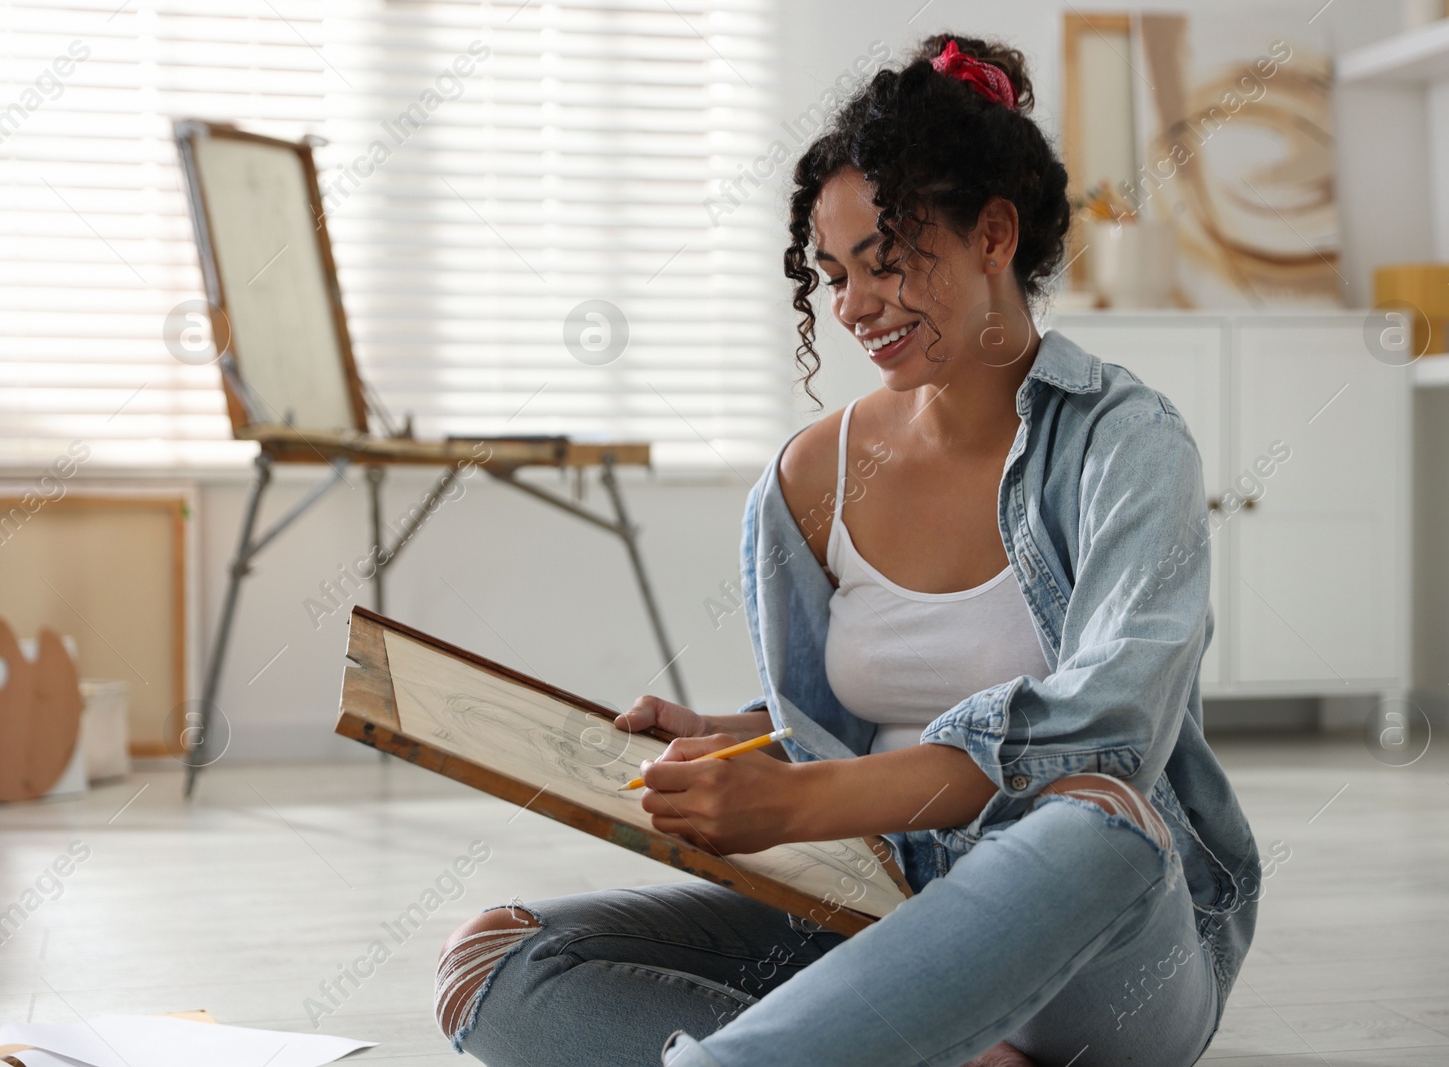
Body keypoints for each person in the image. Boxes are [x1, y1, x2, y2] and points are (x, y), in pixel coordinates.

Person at [434, 33, 1261, 1067]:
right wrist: (732, 739)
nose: (853, 306)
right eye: (832, 274)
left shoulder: (1125, 444)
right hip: (878, 904)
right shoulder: (809, 478)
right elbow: (840, 727)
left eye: (885, 260)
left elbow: (1108, 737)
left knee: (1093, 817)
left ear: (993, 235)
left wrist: (795, 799)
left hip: (1100, 948)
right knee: (497, 958)